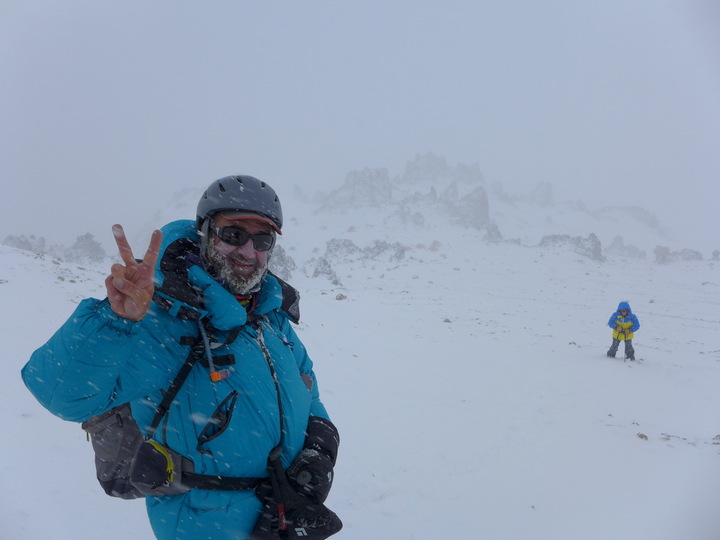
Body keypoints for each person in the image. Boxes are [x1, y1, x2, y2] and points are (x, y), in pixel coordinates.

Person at [22, 175, 341, 539]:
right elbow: (62, 395)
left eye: (262, 239)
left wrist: (319, 449)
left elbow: (307, 384)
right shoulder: (162, 319)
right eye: (234, 235)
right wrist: (115, 321)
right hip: (205, 523)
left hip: (284, 513)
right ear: (206, 234)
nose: (248, 252)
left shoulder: (270, 315)